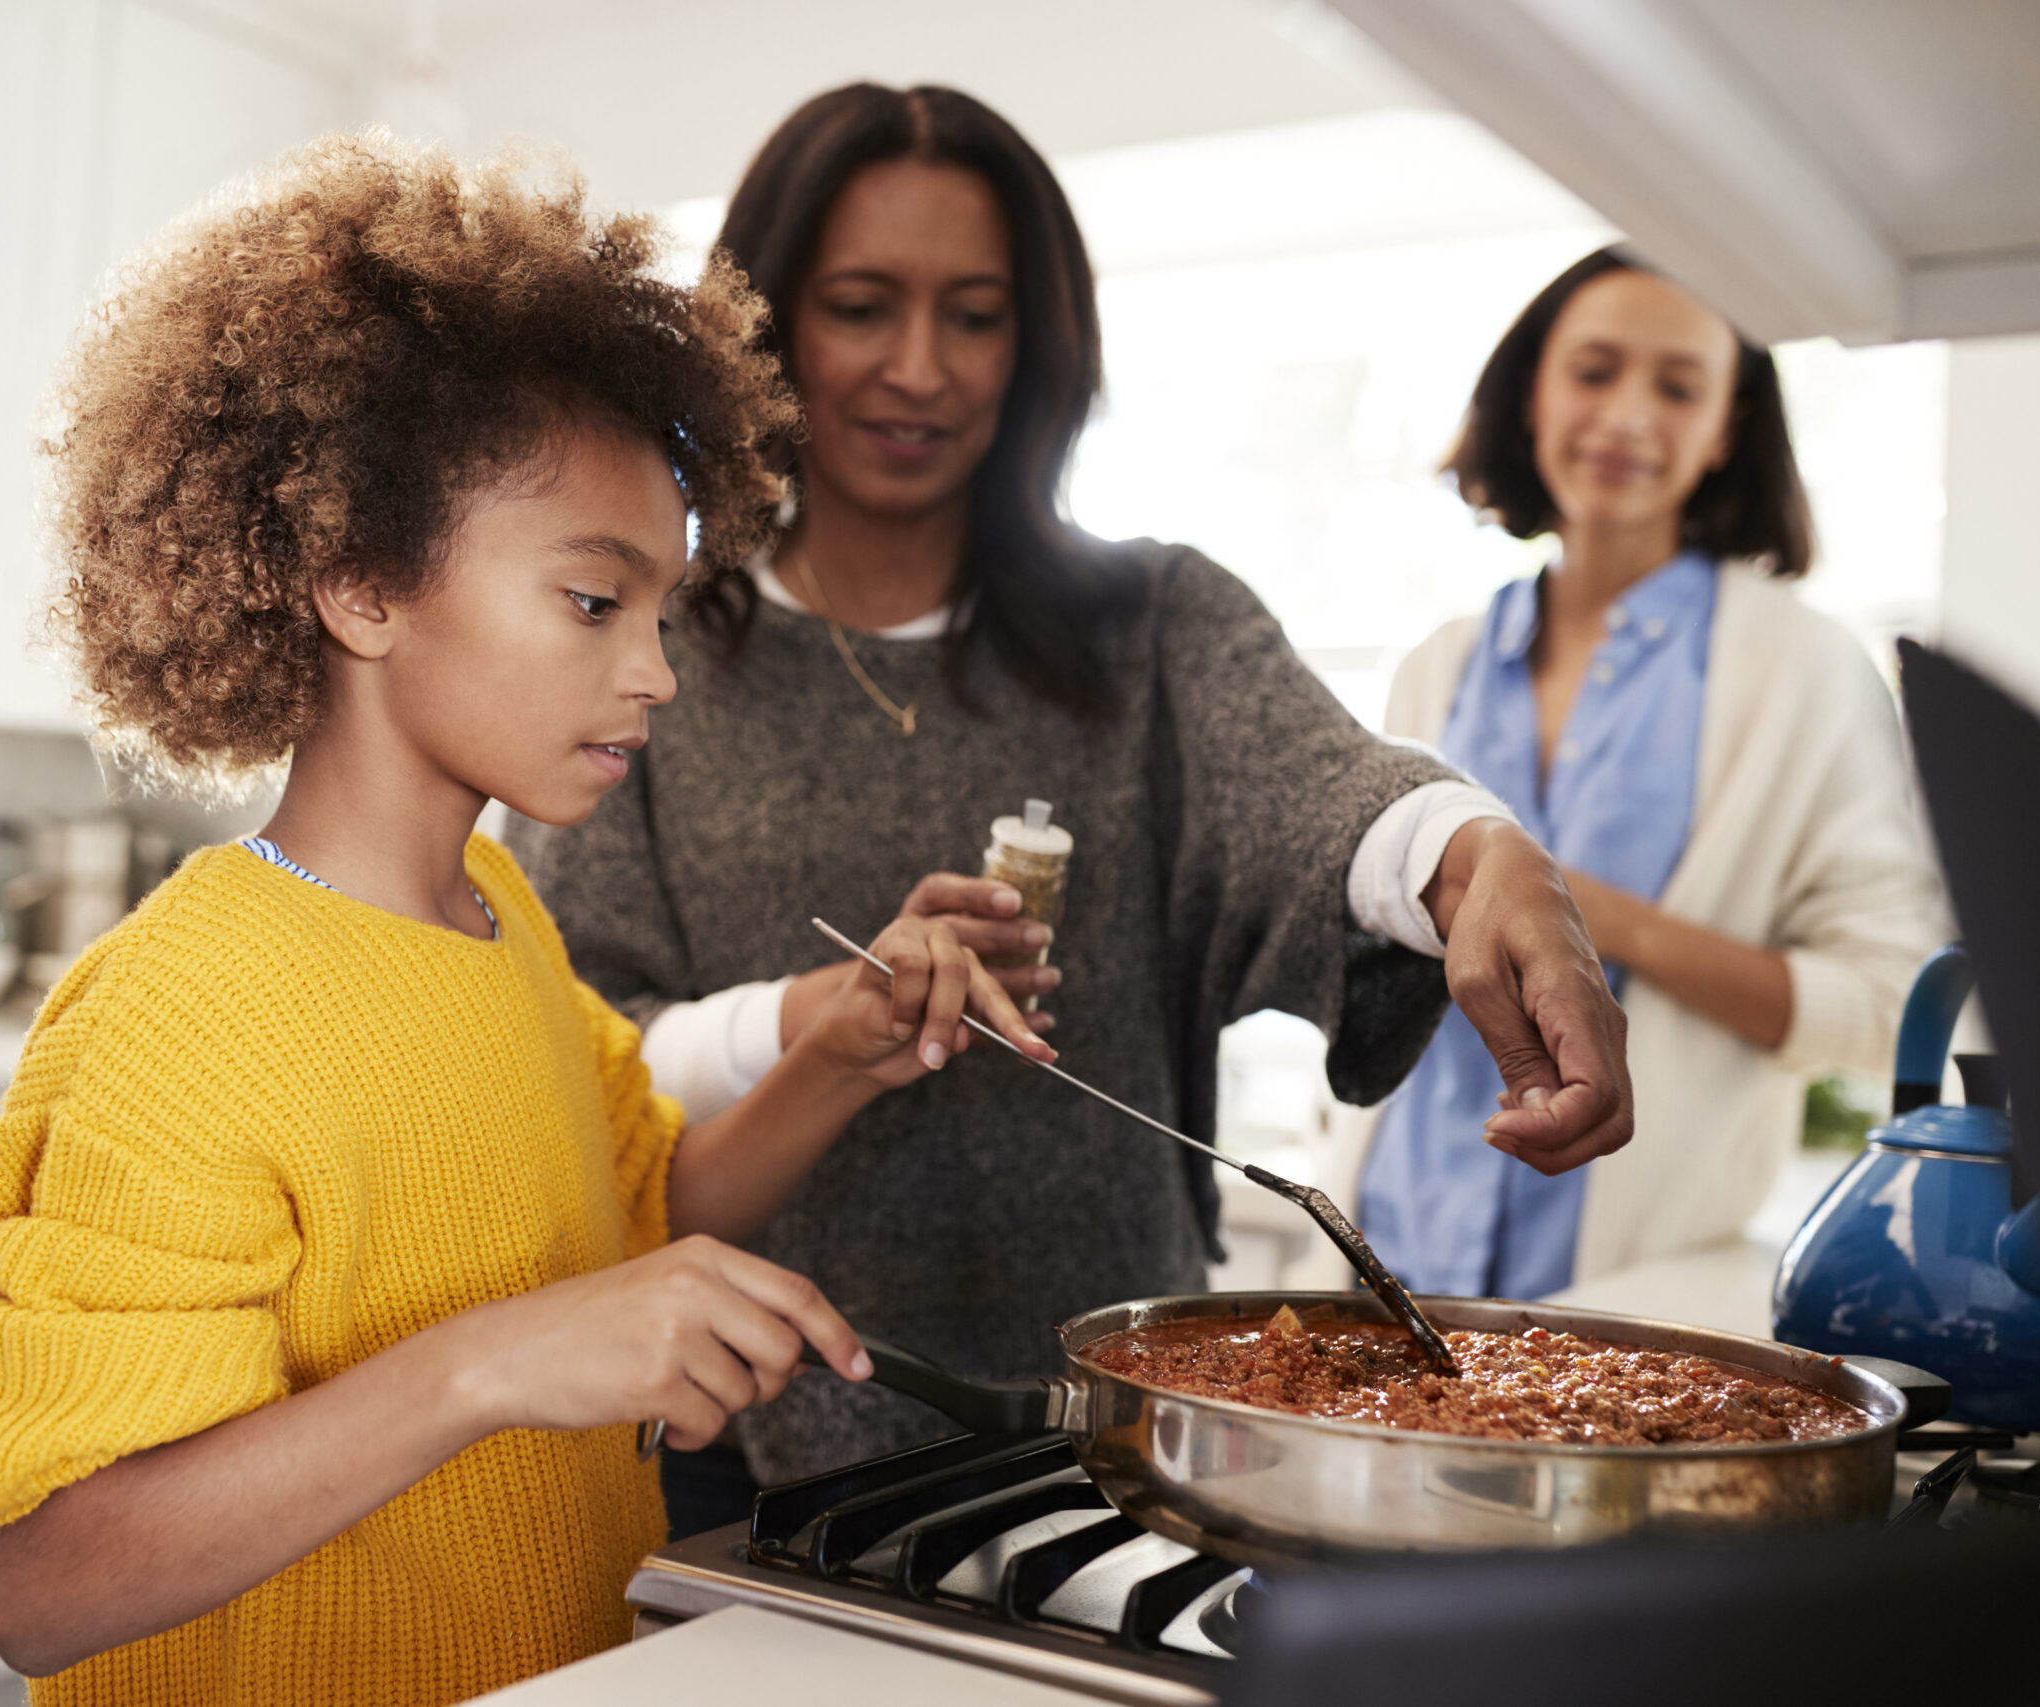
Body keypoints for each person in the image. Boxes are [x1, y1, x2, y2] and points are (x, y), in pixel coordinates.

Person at [0, 133, 1051, 1706]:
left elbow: (638, 1210)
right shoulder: (177, 1018)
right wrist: (489, 1360)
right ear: (361, 583)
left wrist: (843, 1053)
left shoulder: (493, 907)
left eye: (664, 609)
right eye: (595, 601)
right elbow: (39, 1580)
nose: (652, 669)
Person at [506, 84, 1633, 1521]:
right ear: (769, 322)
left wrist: (1481, 856)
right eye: (861, 305)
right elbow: (571, 1050)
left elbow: (1325, 791)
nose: (920, 367)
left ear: (1038, 344)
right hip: (734, 1436)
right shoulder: (648, 641)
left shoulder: (1150, 622)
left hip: (1119, 1440)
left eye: (975, 315)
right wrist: (811, 1014)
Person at [1361, 247, 1947, 1297]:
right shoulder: (1435, 666)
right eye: (1593, 372)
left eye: (1677, 387)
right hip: (1383, 1267)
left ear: (1725, 427)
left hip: (1631, 1296)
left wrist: (1578, 912)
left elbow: (1886, 1004)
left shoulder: (1804, 671)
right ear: (1532, 396)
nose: (1628, 416)